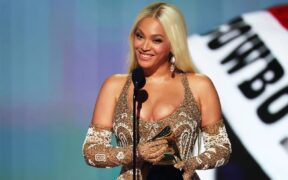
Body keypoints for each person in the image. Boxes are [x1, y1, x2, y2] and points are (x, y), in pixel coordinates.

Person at [82, 2, 231, 180]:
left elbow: (221, 148)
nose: (144, 46)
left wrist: (192, 163)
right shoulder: (115, 86)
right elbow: (92, 151)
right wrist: (135, 153)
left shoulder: (199, 86)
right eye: (140, 36)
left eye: (157, 40)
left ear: (173, 44)